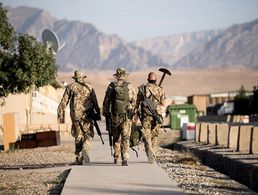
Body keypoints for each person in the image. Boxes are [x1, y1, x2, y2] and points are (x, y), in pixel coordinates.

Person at [57, 70, 101, 165]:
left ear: (75, 78)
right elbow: (95, 101)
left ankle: (79, 158)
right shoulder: (89, 87)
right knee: (88, 134)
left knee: (78, 136)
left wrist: (60, 113)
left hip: (76, 116)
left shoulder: (71, 87)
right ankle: (85, 147)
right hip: (87, 115)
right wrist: (98, 113)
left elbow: (64, 102)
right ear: (83, 77)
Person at [103, 67, 136, 166]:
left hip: (115, 116)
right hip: (126, 116)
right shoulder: (129, 86)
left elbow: (106, 101)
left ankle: (116, 156)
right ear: (125, 75)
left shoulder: (112, 86)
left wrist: (106, 113)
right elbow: (134, 101)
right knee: (126, 137)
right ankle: (125, 157)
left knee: (116, 137)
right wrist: (132, 112)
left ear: (117, 76)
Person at [134, 72, 166, 163]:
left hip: (146, 116)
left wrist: (135, 115)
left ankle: (149, 150)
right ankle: (153, 153)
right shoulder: (160, 89)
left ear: (147, 79)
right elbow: (163, 103)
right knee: (154, 136)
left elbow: (136, 103)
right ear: (155, 80)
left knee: (146, 134)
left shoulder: (143, 89)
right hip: (157, 116)